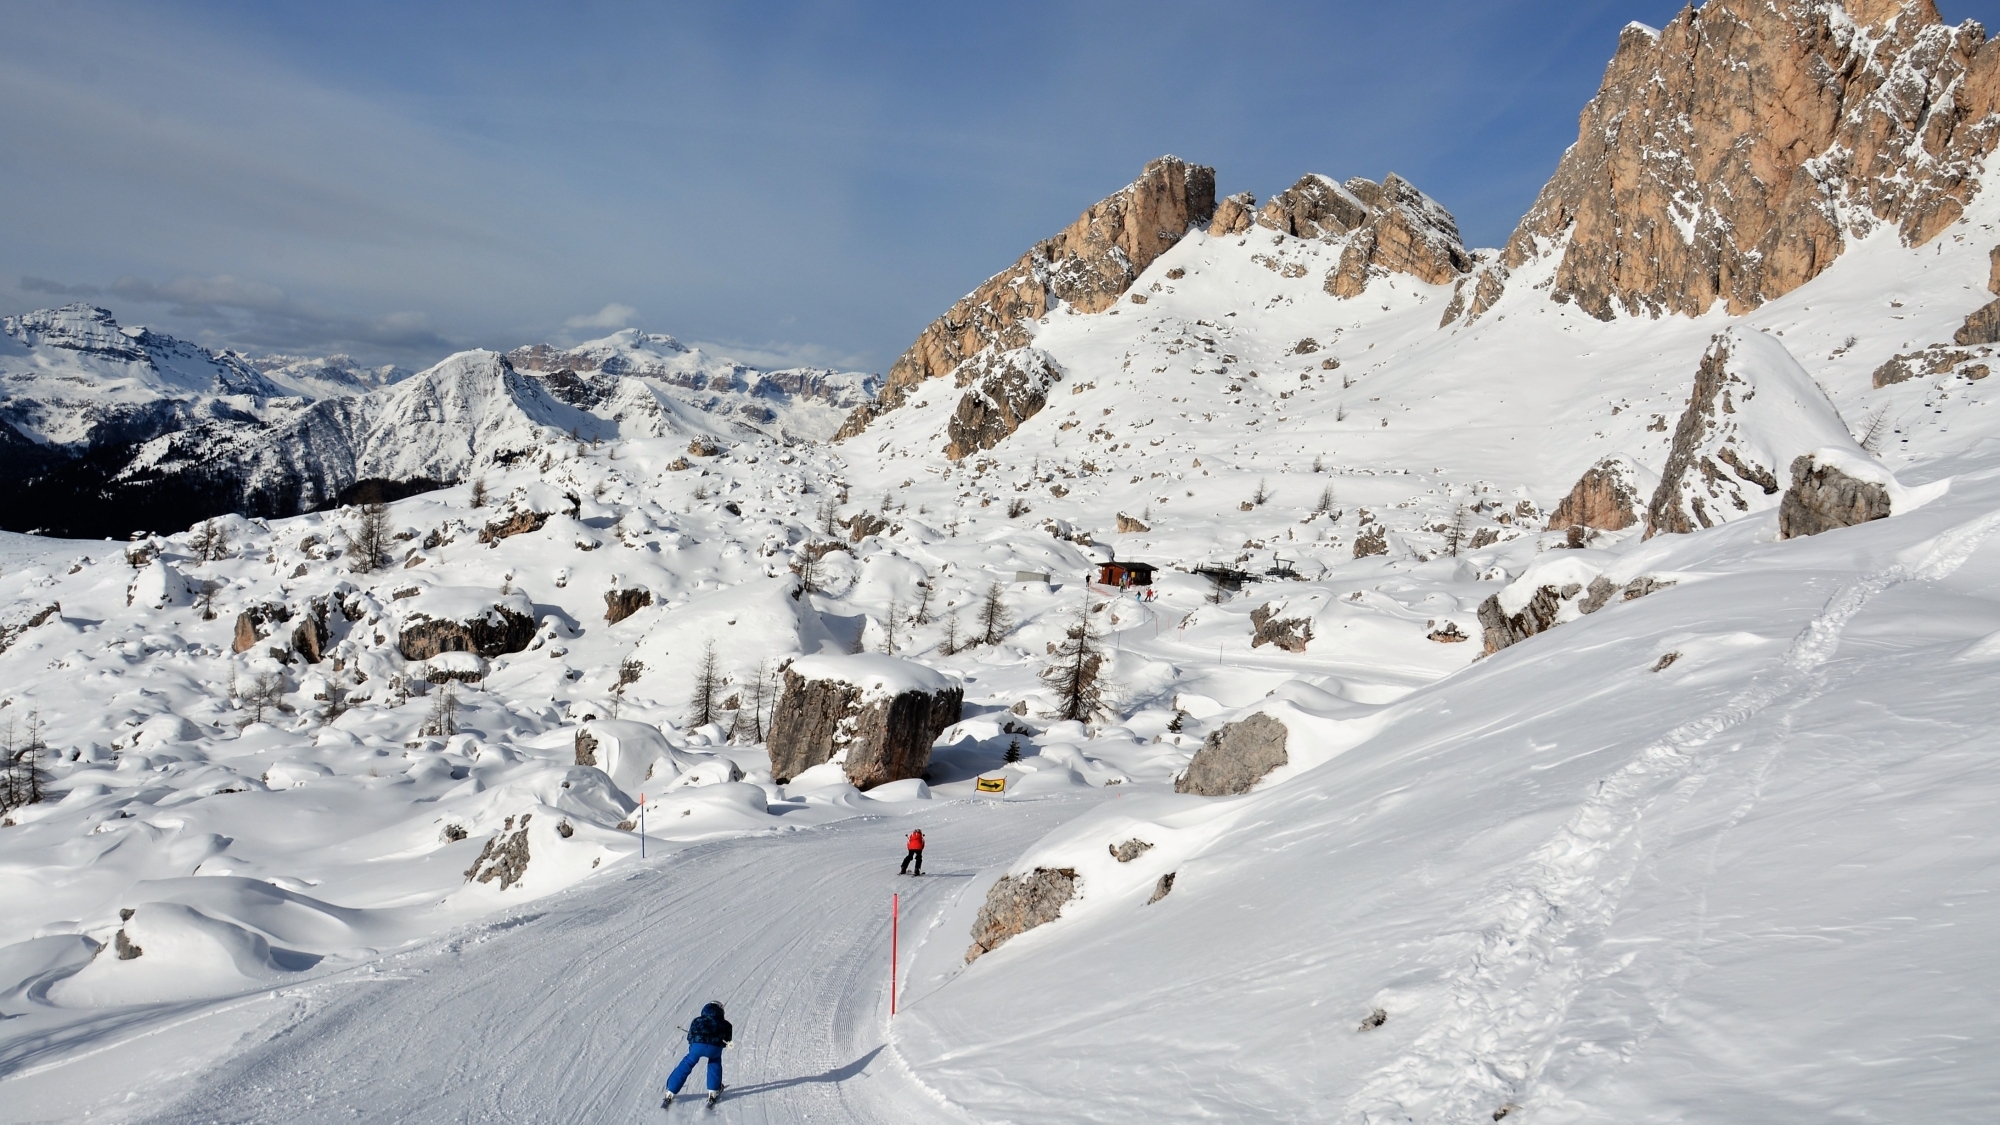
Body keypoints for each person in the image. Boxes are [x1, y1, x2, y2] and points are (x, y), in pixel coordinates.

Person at [662, 1001, 732, 1108]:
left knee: (688, 1062)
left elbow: (690, 1037)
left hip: (697, 1046)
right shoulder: (726, 1024)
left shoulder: (697, 1020)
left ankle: (670, 1091)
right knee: (714, 1062)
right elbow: (727, 1040)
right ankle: (713, 1091)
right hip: (714, 1048)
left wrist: (694, 1044)